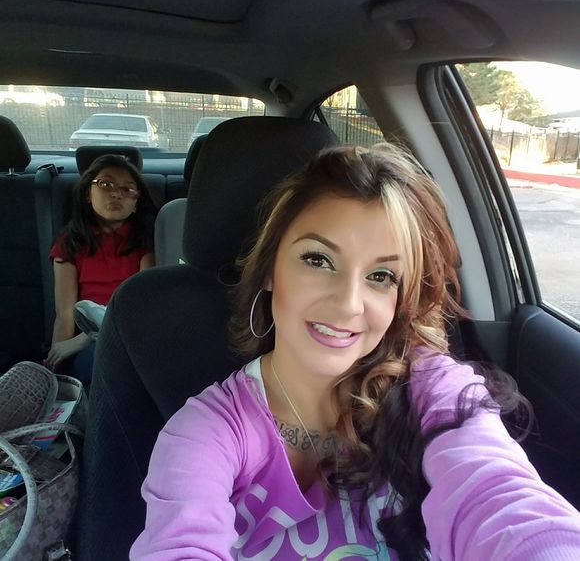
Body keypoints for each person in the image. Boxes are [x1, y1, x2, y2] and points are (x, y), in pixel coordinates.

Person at [130, 145, 580, 560]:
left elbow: (502, 499)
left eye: (381, 276)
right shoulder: (203, 433)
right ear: (269, 270)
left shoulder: (431, 389)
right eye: (318, 260)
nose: (348, 304)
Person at [45, 154, 157, 383]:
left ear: (136, 203)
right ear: (88, 193)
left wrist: (89, 337)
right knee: (99, 360)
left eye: (128, 190)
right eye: (106, 185)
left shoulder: (146, 242)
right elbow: (65, 316)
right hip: (90, 347)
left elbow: (143, 310)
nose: (116, 194)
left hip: (130, 335)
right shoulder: (69, 243)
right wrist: (56, 366)